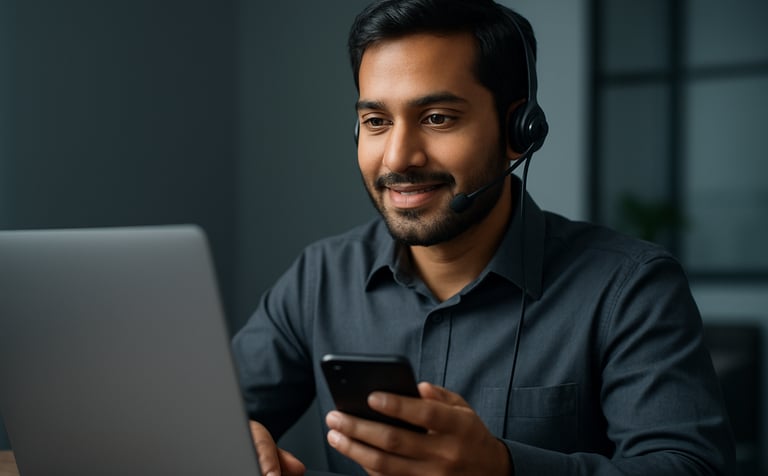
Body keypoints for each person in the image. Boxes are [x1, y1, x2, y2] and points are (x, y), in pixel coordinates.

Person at [232, 0, 737, 475]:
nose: (397, 157)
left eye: (437, 118)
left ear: (519, 132)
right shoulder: (319, 276)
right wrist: (236, 435)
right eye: (376, 121)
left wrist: (504, 467)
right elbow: (217, 409)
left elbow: (689, 466)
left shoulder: (630, 287)